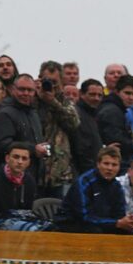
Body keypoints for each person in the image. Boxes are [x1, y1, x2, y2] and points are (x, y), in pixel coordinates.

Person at [57, 146, 133, 234]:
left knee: (128, 232)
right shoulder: (84, 182)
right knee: (96, 230)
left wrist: (130, 221)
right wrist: (116, 223)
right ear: (98, 164)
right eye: (106, 163)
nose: (110, 168)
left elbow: (119, 214)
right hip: (72, 225)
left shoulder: (116, 186)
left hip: (100, 225)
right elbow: (84, 217)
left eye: (114, 165)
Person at [36, 60, 80, 197]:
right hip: (37, 170)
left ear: (61, 81)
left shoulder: (64, 101)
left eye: (54, 82)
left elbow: (74, 123)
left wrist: (53, 102)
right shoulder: (32, 99)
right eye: (47, 81)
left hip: (59, 171)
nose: (51, 85)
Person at [0, 74, 45, 184]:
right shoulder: (5, 114)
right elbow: (2, 145)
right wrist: (33, 149)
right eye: (22, 89)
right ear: (13, 90)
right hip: (9, 179)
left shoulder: (34, 114)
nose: (26, 93)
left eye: (30, 90)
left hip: (31, 178)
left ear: (35, 92)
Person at [0, 142, 40, 230]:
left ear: (28, 162)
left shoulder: (30, 181)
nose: (20, 162)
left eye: (24, 158)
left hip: (21, 221)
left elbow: (28, 210)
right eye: (16, 157)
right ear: (7, 158)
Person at [97, 74, 133, 172]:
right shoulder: (112, 111)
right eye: (127, 93)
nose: (131, 97)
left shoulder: (117, 109)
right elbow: (116, 140)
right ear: (117, 92)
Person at [72, 79, 104, 174]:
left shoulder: (93, 115)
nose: (96, 98)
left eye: (99, 95)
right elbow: (81, 148)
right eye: (92, 94)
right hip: (81, 172)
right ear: (81, 94)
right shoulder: (77, 114)